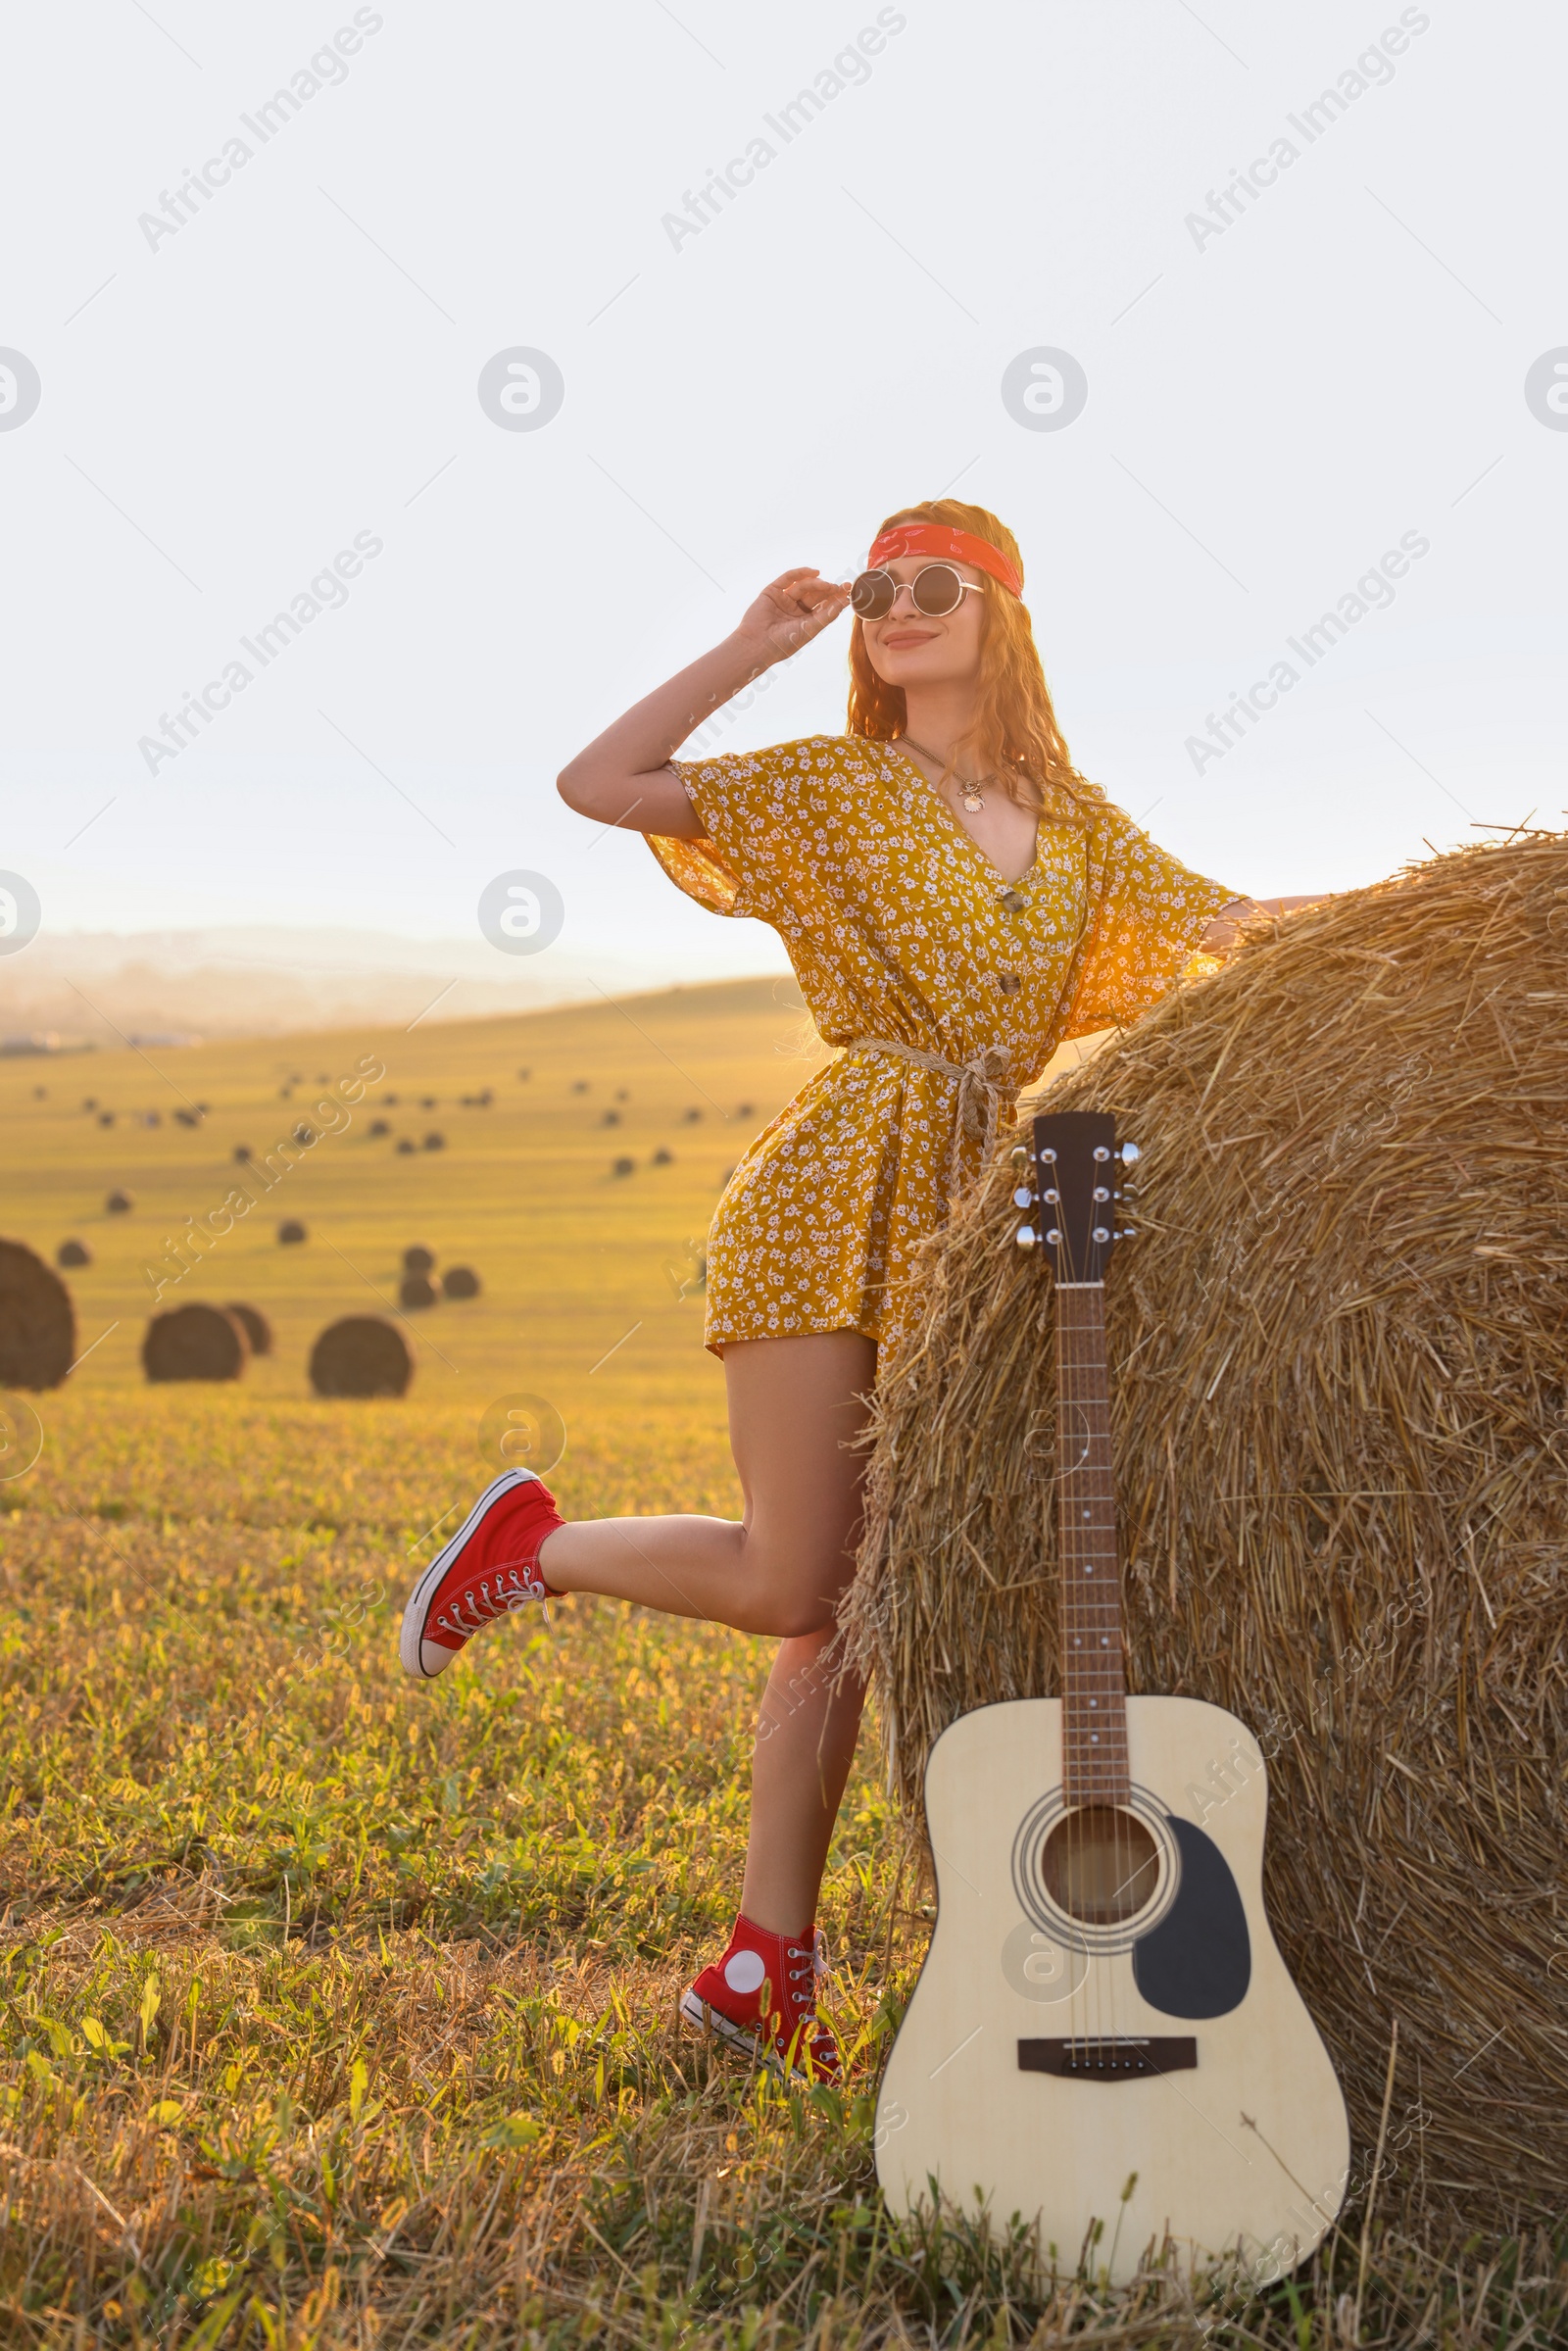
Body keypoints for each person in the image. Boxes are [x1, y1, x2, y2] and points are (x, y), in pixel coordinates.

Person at [400, 499, 1301, 2083]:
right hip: (838, 1182)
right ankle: (539, 1547)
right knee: (796, 1581)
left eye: (927, 584)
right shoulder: (829, 786)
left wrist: (1452, 927)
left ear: (1001, 612)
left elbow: (1226, 926)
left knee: (863, 1614)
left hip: (981, 1216)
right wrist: (756, 648)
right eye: (877, 587)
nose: (892, 605)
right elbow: (596, 785)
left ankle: (766, 1966)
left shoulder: (1077, 823)